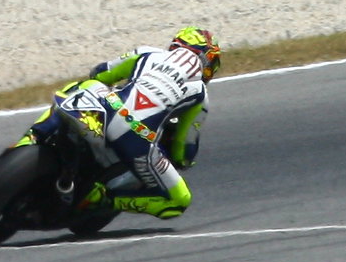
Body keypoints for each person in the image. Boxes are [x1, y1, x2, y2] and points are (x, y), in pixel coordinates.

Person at [20, 26, 220, 220]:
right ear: (206, 60)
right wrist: (183, 160)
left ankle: (32, 137)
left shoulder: (147, 53)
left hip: (108, 108)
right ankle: (104, 199)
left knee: (83, 86)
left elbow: (100, 73)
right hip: (138, 139)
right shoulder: (200, 94)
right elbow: (183, 151)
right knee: (178, 200)